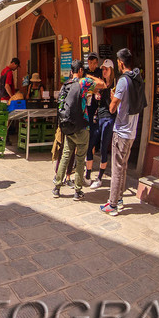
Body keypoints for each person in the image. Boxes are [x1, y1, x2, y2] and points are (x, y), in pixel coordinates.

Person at [102, 48, 144, 216]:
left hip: (121, 130)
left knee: (117, 168)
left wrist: (113, 96)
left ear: (120, 62)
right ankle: (119, 199)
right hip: (132, 131)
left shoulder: (123, 81)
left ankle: (112, 204)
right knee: (123, 166)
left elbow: (112, 108)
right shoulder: (137, 78)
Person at [53, 60, 100, 199]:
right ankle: (77, 191)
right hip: (82, 126)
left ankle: (56, 187)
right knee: (80, 159)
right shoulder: (83, 82)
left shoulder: (66, 85)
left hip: (68, 127)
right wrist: (90, 76)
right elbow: (102, 84)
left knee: (65, 156)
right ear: (80, 70)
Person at [86, 57, 117, 188]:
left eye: (106, 69)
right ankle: (87, 175)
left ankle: (99, 178)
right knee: (91, 144)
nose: (104, 71)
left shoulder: (114, 84)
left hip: (109, 118)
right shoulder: (102, 83)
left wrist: (87, 75)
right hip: (99, 116)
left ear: (111, 70)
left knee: (104, 147)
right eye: (103, 69)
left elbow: (101, 84)